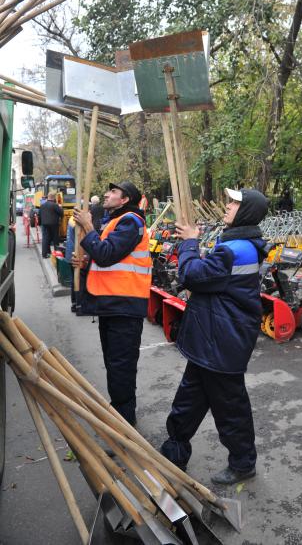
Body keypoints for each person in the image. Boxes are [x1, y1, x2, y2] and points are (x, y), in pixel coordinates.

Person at [160, 188, 269, 485]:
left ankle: (243, 463)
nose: (228, 206)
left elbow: (192, 276)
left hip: (223, 341)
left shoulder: (236, 249)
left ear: (246, 211)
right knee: (188, 401)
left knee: (230, 409)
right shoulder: (237, 243)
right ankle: (173, 453)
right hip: (212, 339)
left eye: (235, 203)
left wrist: (189, 244)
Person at [73, 181, 152, 426]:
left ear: (125, 199)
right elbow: (107, 259)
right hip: (113, 305)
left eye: (113, 192)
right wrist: (87, 264)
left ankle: (124, 423)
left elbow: (107, 255)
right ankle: (120, 411)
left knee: (120, 367)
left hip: (124, 307)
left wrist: (87, 226)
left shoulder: (131, 222)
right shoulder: (116, 222)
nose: (107, 195)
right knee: (114, 364)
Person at [39, 192, 64, 258]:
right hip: (54, 224)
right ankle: (57, 254)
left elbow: (39, 215)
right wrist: (61, 208)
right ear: (53, 198)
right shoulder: (55, 205)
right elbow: (61, 213)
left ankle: (45, 254)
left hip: (44, 224)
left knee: (46, 239)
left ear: (48, 197)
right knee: (55, 239)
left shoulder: (42, 205)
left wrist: (41, 223)